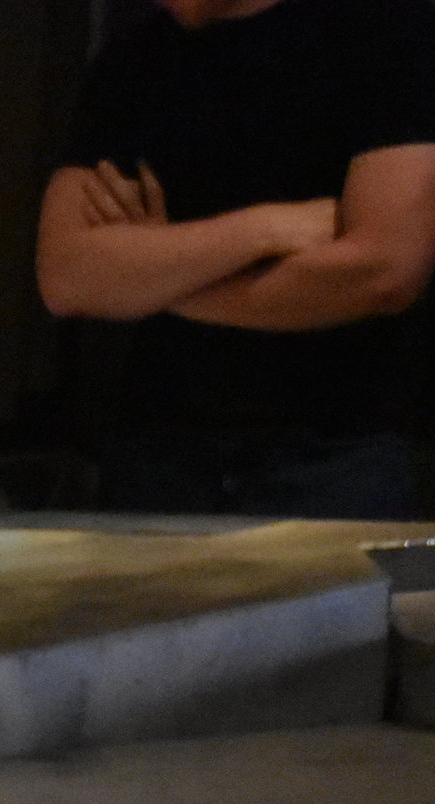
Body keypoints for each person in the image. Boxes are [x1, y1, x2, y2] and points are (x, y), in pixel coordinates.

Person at [39, 0, 435, 516]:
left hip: (339, 448)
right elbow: (67, 277)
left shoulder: (385, 30)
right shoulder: (133, 58)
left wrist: (155, 279)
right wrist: (265, 229)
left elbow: (383, 272)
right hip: (155, 447)